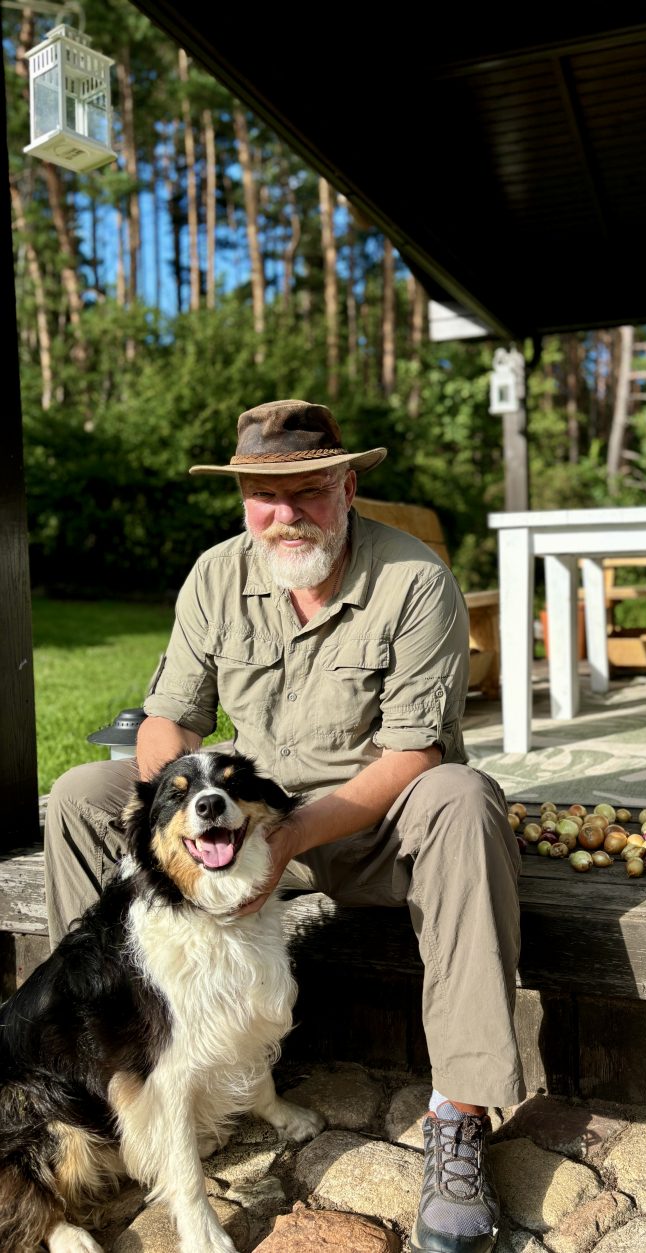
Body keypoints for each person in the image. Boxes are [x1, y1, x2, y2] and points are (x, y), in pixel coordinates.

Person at [44, 399, 524, 1253]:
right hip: (243, 811)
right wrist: (170, 819)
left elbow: (411, 752)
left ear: (345, 486)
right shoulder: (216, 574)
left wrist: (286, 842)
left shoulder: (416, 581)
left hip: (372, 820)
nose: (285, 512)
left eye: (306, 488)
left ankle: (460, 1108)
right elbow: (169, 720)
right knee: (84, 790)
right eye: (264, 493)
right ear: (243, 500)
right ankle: (112, 1065)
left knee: (463, 797)